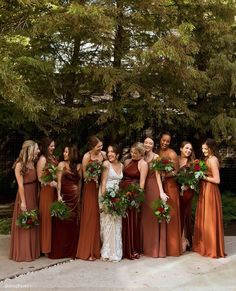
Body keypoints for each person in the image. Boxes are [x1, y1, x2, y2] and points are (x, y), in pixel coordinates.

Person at [192, 139, 225, 258]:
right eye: (203, 148)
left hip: (211, 190)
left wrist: (203, 176)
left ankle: (212, 248)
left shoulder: (213, 160)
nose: (203, 151)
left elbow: (217, 180)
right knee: (205, 217)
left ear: (212, 148)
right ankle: (205, 245)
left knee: (210, 217)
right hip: (205, 190)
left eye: (206, 148)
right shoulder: (208, 159)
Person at [10, 140, 40, 262]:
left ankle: (32, 250)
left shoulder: (32, 163)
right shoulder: (19, 165)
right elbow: (20, 185)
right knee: (26, 220)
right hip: (25, 194)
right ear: (30, 150)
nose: (38, 151)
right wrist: (23, 202)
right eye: (36, 149)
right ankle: (24, 252)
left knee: (33, 220)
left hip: (33, 192)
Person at [49, 145, 82, 259]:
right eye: (64, 151)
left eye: (67, 152)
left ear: (72, 153)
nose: (64, 153)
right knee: (62, 221)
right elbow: (58, 182)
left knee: (73, 222)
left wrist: (79, 197)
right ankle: (61, 250)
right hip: (64, 196)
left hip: (75, 197)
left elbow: (80, 183)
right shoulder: (61, 164)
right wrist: (58, 195)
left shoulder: (79, 166)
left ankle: (71, 250)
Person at [76, 136, 106, 260]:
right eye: (98, 146)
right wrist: (93, 174)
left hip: (99, 186)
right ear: (92, 147)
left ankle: (96, 249)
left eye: (101, 146)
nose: (100, 148)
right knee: (90, 215)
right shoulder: (87, 157)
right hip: (89, 187)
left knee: (97, 216)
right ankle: (87, 250)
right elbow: (84, 175)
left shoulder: (103, 155)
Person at [141, 137, 168, 258]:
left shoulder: (156, 157)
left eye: (150, 143)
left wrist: (161, 192)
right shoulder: (140, 155)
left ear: (153, 145)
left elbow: (158, 176)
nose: (147, 145)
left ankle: (154, 248)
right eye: (146, 142)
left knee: (152, 217)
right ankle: (143, 247)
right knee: (143, 218)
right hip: (141, 188)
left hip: (152, 188)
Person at [120, 142, 148, 260]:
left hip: (133, 195)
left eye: (135, 153)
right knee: (122, 220)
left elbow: (142, 183)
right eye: (131, 152)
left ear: (141, 154)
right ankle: (121, 248)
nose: (132, 155)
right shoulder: (126, 162)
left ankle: (131, 248)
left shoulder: (143, 164)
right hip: (122, 193)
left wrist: (137, 198)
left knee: (131, 222)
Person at [158, 132, 182, 256]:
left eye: (167, 141)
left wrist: (165, 175)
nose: (165, 143)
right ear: (160, 139)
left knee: (171, 214)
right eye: (163, 140)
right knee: (161, 213)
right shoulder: (158, 152)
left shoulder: (172, 154)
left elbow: (177, 171)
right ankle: (162, 246)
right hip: (160, 186)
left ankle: (173, 248)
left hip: (170, 186)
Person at [100, 145, 123, 262]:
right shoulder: (106, 164)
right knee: (108, 224)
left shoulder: (121, 165)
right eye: (108, 152)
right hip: (107, 195)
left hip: (117, 197)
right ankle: (107, 252)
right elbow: (103, 183)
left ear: (118, 154)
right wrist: (104, 201)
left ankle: (116, 252)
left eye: (112, 152)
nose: (109, 154)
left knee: (116, 223)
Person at [37, 137, 58, 255]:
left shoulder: (53, 158)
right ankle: (44, 248)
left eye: (54, 146)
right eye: (51, 146)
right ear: (46, 147)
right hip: (46, 191)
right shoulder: (42, 159)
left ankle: (51, 245)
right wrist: (50, 183)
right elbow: (40, 178)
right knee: (46, 218)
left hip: (54, 191)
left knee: (53, 218)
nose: (53, 148)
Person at [178, 141, 195, 252]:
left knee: (185, 214)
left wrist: (187, 185)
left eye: (190, 148)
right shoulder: (176, 159)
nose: (188, 150)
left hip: (187, 191)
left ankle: (185, 240)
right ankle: (177, 240)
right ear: (181, 148)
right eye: (186, 148)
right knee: (177, 215)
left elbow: (195, 178)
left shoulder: (192, 162)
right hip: (176, 190)